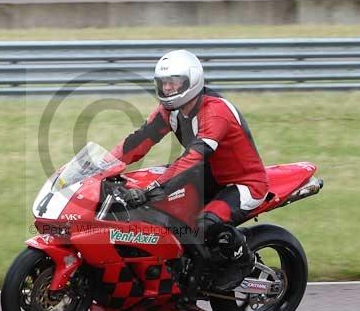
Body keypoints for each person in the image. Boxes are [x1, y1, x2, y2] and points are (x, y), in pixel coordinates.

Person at [109, 49, 269, 294]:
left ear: (192, 82)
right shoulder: (169, 112)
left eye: (174, 83)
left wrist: (152, 189)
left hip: (243, 183)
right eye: (164, 84)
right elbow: (138, 142)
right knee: (158, 211)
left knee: (206, 223)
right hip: (207, 177)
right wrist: (103, 166)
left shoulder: (216, 112)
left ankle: (241, 260)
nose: (168, 89)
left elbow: (193, 158)